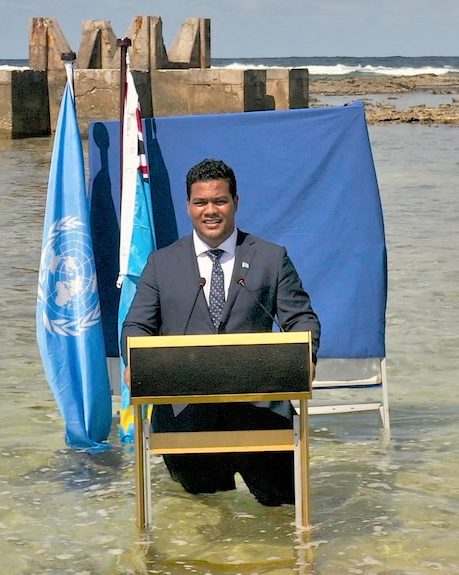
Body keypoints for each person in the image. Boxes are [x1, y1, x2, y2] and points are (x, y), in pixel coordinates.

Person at [121, 158, 320, 506]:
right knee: (205, 521)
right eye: (201, 202)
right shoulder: (161, 264)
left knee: (283, 518)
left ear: (235, 202)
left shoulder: (271, 259)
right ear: (188, 206)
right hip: (186, 419)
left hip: (261, 417)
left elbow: (302, 320)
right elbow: (137, 325)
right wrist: (135, 360)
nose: (210, 211)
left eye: (219, 201)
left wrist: (305, 358)